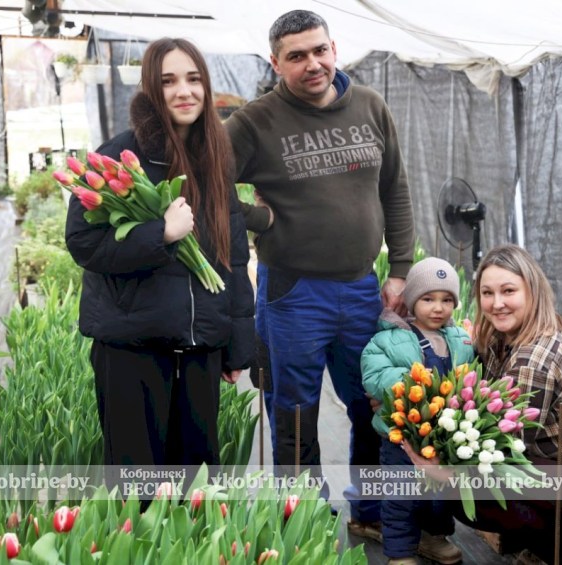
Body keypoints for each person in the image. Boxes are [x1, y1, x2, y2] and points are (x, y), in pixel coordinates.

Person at [224, 10, 414, 535]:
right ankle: (303, 517)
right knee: (294, 410)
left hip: (361, 287)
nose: (313, 64)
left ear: (335, 47)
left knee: (372, 403)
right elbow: (203, 186)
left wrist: (399, 268)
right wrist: (260, 217)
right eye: (297, 56)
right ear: (275, 63)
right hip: (292, 292)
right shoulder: (253, 123)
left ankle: (372, 515)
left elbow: (394, 188)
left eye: (319, 50)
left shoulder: (371, 107)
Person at [65, 38, 255, 480]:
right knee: (138, 487)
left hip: (198, 351)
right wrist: (160, 234)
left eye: (193, 79)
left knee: (197, 486)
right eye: (168, 81)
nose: (183, 91)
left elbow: (234, 254)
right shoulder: (116, 157)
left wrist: (236, 347)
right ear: (152, 89)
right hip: (133, 350)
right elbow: (83, 244)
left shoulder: (213, 158)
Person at [406, 244, 562, 565]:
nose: (496, 304)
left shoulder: (534, 360)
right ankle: (552, 538)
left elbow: (503, 449)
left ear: (532, 292)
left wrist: (444, 469)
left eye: (508, 291)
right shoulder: (502, 339)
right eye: (487, 292)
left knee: (471, 493)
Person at [361, 258, 474, 565]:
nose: (438, 307)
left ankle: (434, 537)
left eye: (446, 300)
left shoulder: (461, 340)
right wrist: (415, 384)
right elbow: (374, 375)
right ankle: (400, 553)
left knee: (439, 496)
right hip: (402, 437)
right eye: (428, 299)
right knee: (401, 496)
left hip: (442, 438)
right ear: (412, 301)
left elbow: (472, 376)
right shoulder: (389, 338)